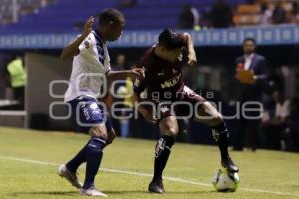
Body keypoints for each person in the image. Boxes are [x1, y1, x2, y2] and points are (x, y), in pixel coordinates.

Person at [133, 28, 238, 194]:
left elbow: (187, 36)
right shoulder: (147, 65)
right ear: (163, 49)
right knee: (171, 131)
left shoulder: (175, 42)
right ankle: (156, 181)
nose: (179, 54)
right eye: (176, 52)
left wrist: (192, 52)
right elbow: (136, 92)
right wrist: (144, 111)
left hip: (181, 91)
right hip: (160, 97)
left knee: (216, 117)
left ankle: (226, 159)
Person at [57, 8, 144, 197]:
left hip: (93, 97)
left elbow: (106, 74)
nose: (121, 33)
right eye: (120, 29)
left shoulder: (103, 46)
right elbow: (64, 55)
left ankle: (70, 168)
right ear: (110, 26)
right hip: (80, 95)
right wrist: (82, 36)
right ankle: (88, 187)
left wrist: (129, 73)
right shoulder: (88, 39)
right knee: (100, 133)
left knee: (110, 135)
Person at [233, 37, 268, 151]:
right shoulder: (238, 60)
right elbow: (236, 75)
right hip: (242, 93)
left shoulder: (260, 60)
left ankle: (253, 146)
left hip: (255, 94)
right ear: (243, 47)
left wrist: (254, 77)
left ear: (254, 46)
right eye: (246, 45)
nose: (248, 47)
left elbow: (265, 76)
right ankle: (238, 146)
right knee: (240, 120)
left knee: (253, 121)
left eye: (250, 45)